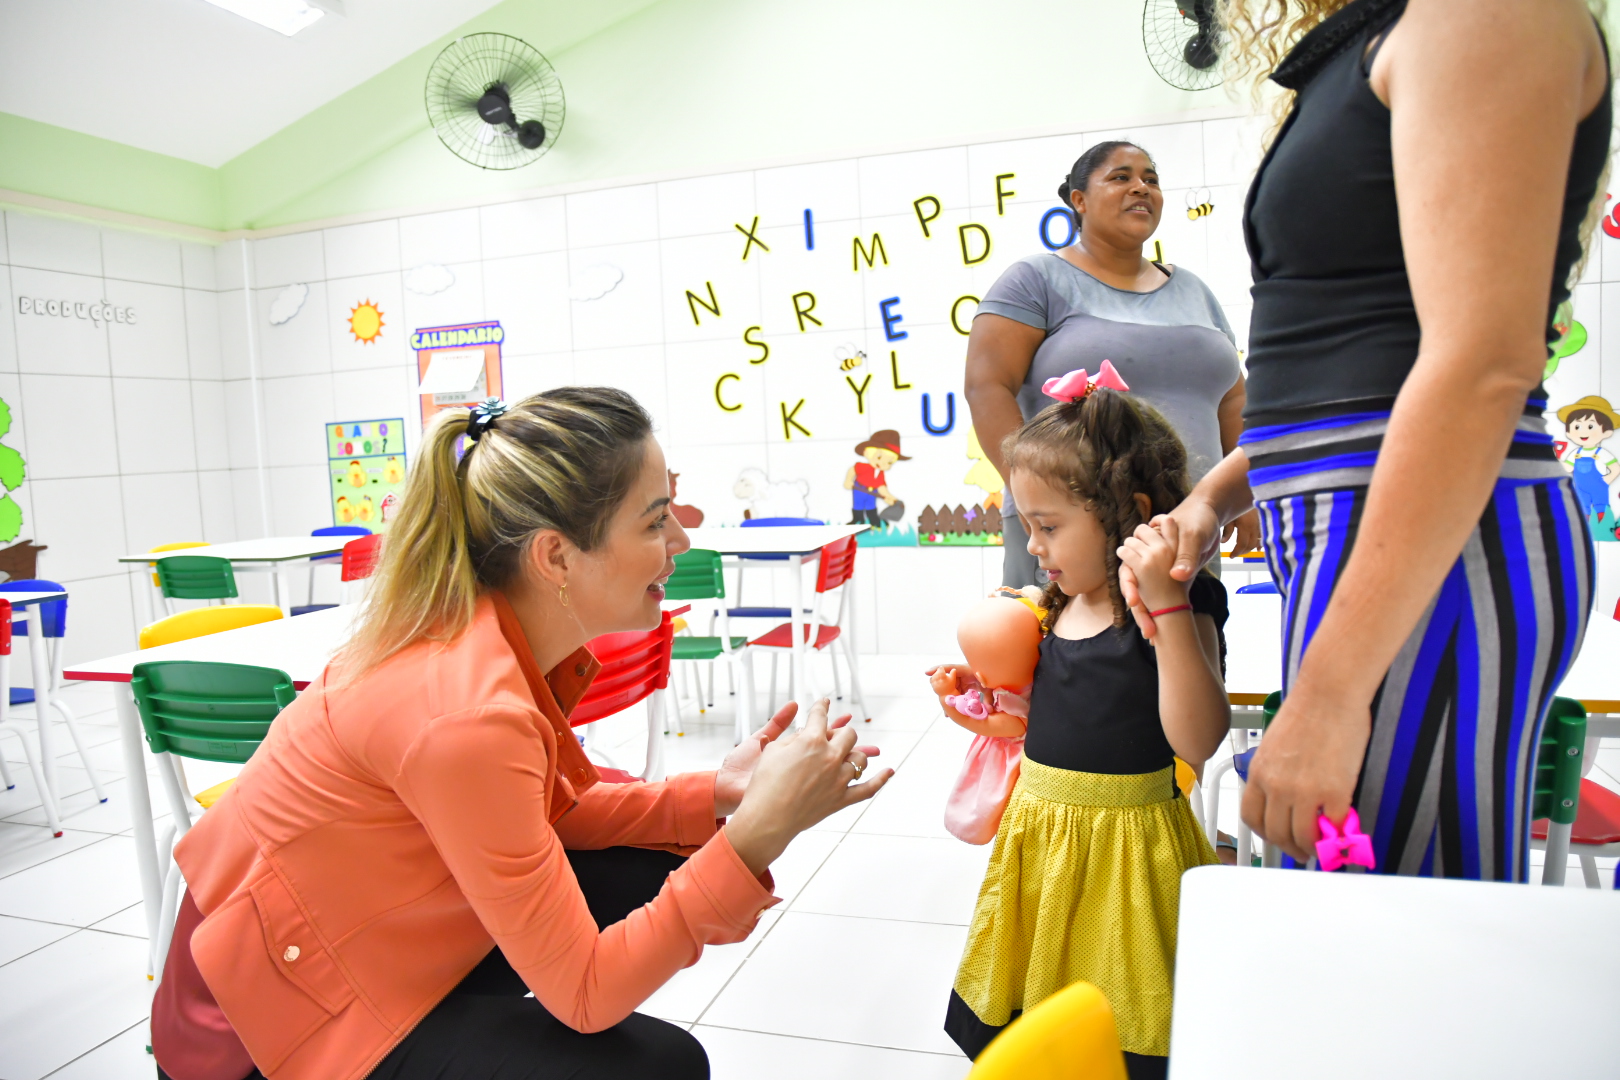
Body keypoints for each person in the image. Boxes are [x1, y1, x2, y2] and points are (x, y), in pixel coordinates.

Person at [149, 388, 894, 1080]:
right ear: (554, 557)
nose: (679, 540)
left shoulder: (488, 636)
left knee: (650, 876)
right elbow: (586, 992)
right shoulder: (466, 712)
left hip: (361, 932)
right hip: (265, 1019)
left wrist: (722, 796)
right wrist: (752, 838)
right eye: (653, 518)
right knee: (661, 1068)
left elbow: (549, 813)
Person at [1127, 0, 1609, 878]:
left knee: (1405, 940)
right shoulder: (1392, 33)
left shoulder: (1484, 12)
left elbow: (1481, 366)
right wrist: (1217, 492)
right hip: (1380, 530)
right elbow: (1355, 366)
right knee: (1367, 916)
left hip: (1437, 539)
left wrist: (1329, 695)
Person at [938, 377, 1228, 1080]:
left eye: (1049, 525)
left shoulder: (1181, 604)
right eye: (1027, 526)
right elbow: (1051, 718)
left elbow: (1199, 738)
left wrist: (1166, 609)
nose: (1034, 546)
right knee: (1044, 1022)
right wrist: (985, 706)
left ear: (1130, 514)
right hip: (1042, 841)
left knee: (1130, 1022)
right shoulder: (1054, 605)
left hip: (1131, 853)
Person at [964, 140, 1260, 589]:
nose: (1141, 187)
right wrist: (1030, 498)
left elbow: (1233, 398)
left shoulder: (1194, 291)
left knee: (1187, 652)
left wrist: (1243, 498)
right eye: (1121, 177)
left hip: (1188, 521)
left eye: (1151, 180)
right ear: (1078, 200)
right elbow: (986, 387)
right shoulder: (1035, 280)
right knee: (1068, 655)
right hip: (1067, 522)